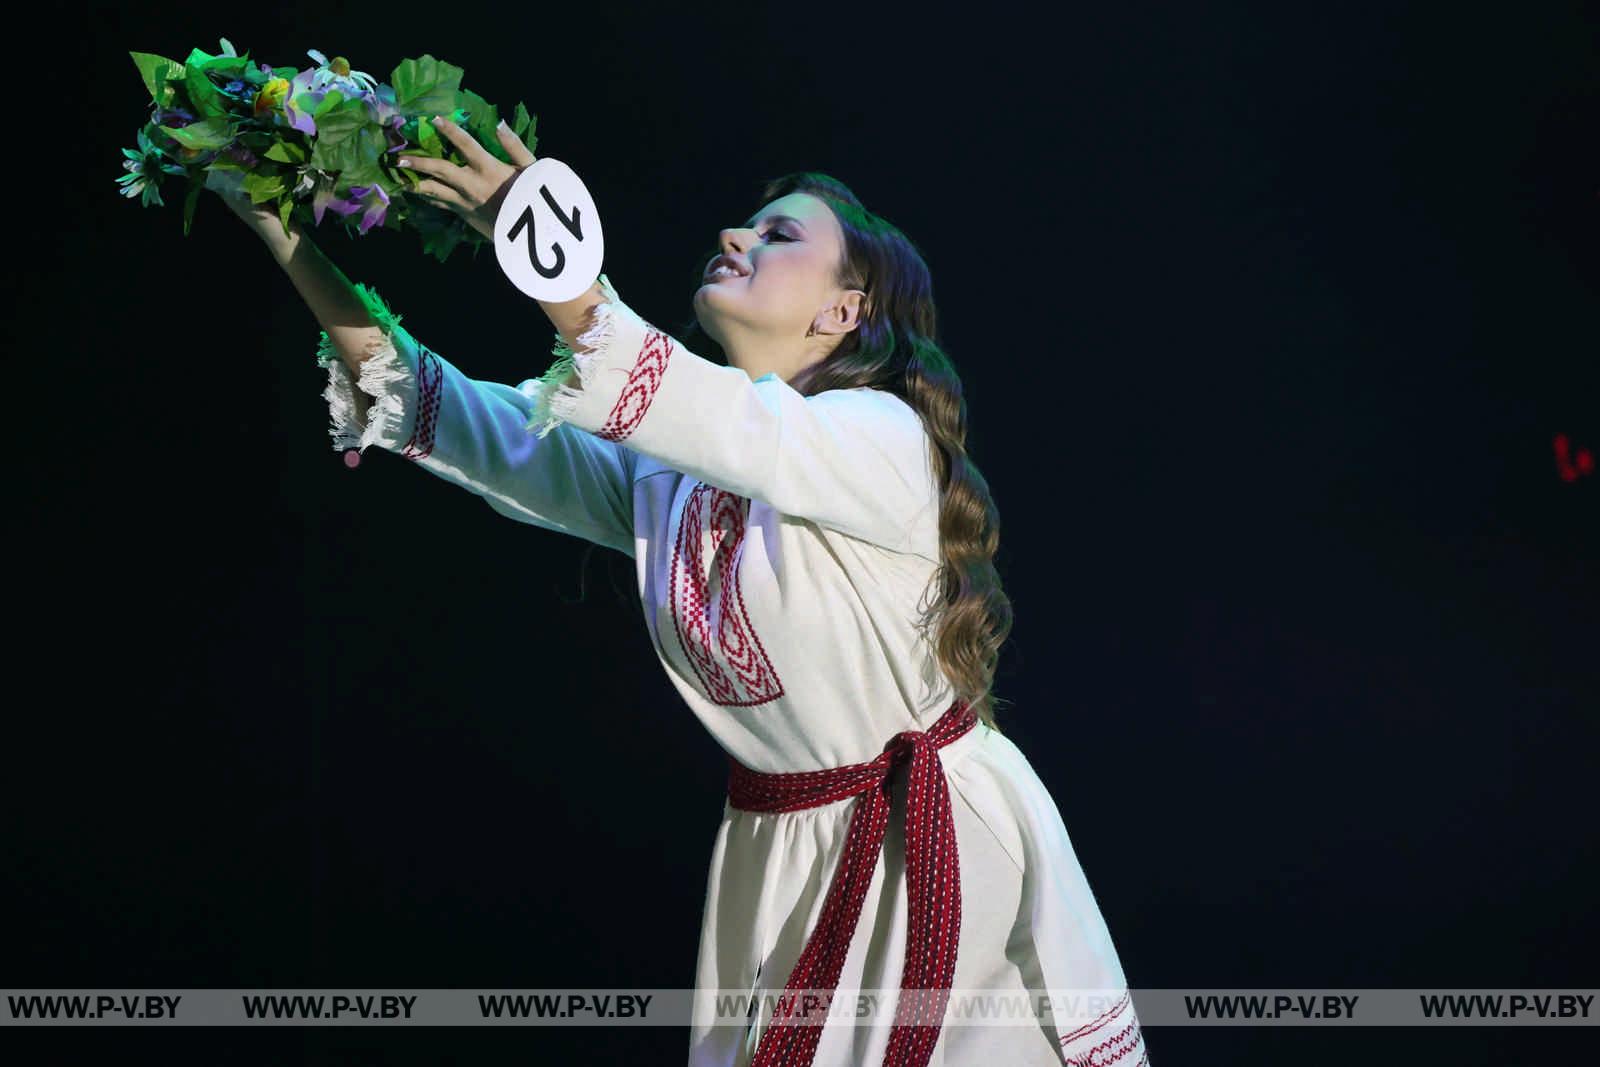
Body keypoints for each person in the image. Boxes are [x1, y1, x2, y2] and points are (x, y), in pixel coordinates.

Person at [210, 120, 1150, 1067]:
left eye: (779, 236)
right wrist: (282, 230)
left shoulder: (883, 437)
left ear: (845, 312)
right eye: (745, 225)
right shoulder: (673, 476)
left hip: (927, 847)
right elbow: (449, 414)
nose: (736, 237)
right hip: (784, 857)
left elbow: (705, 411)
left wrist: (537, 232)